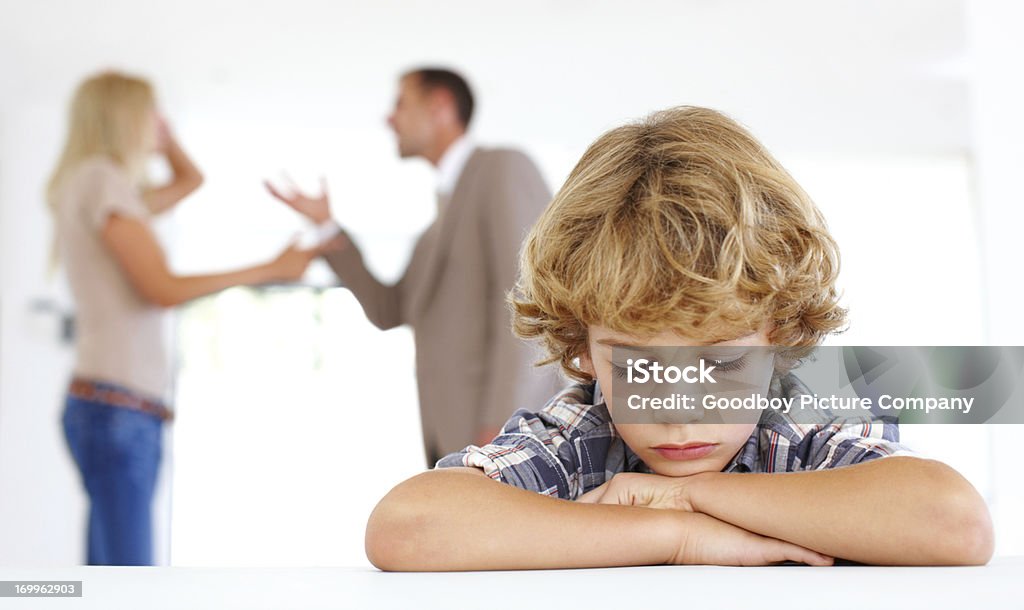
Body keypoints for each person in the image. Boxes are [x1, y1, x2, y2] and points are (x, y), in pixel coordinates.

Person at [363, 106, 994, 570]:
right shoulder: (583, 434)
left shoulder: (810, 414)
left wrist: (685, 496)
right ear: (583, 348)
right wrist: (677, 535)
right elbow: (411, 527)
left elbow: (953, 523)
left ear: (773, 334)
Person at [47, 71, 322, 565]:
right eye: (151, 112)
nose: (162, 123)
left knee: (108, 580)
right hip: (119, 410)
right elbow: (161, 289)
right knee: (129, 584)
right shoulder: (102, 180)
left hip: (110, 407)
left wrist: (165, 139)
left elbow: (191, 180)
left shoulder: (95, 184)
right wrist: (271, 268)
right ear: (124, 117)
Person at [268, 67, 560, 465]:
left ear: (440, 106)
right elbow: (388, 310)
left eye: (400, 103)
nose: (390, 118)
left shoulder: (502, 167)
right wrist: (326, 227)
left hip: (499, 440)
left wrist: (505, 427)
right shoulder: (433, 233)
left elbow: (534, 300)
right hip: (453, 441)